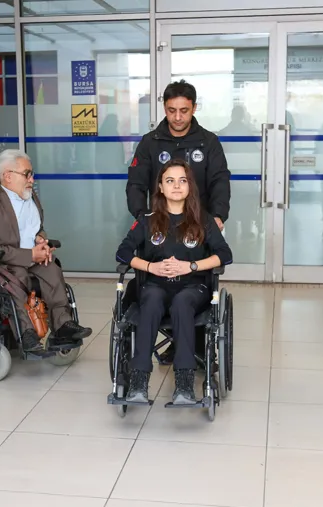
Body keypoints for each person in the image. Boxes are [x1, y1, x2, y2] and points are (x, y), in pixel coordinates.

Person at [126, 80, 232, 364]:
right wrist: (142, 217)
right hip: (160, 227)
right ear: (164, 108)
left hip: (198, 228)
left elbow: (220, 181)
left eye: (184, 110)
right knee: (152, 285)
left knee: (193, 285)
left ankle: (194, 348)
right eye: (172, 110)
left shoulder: (208, 142)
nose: (177, 117)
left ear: (194, 108)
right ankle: (160, 345)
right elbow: (136, 183)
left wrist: (218, 216)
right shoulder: (150, 142)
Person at [116, 159, 233, 405]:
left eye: (182, 180)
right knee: (151, 298)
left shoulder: (203, 219)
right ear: (160, 186)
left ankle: (184, 384)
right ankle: (138, 382)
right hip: (155, 285)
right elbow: (123, 253)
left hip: (193, 287)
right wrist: (152, 267)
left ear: (190, 186)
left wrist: (191, 266)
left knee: (182, 302)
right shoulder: (147, 220)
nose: (177, 186)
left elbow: (225, 254)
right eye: (170, 181)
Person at [0, 149, 92, 353]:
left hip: (29, 257)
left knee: (51, 269)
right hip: (0, 262)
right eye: (27, 174)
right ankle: (27, 333)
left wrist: (41, 239)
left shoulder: (29, 195)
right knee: (18, 276)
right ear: (8, 176)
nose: (32, 180)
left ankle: (63, 325)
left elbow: (35, 227)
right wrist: (29, 255)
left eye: (31, 174)